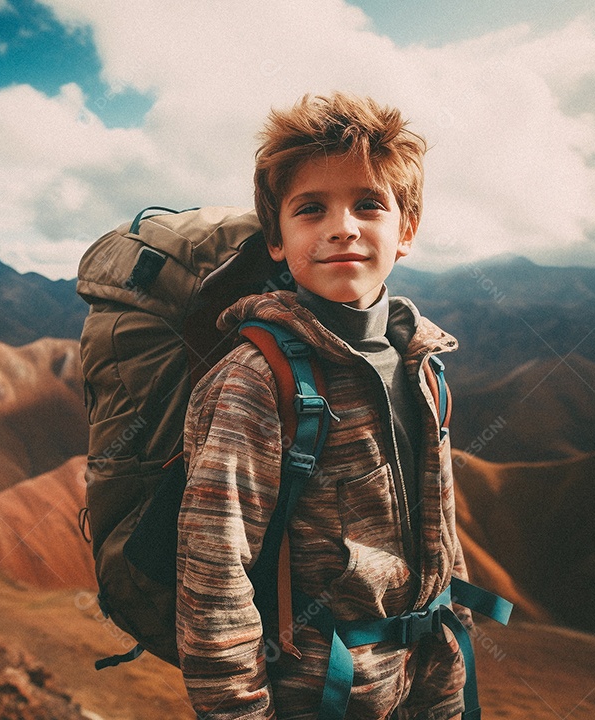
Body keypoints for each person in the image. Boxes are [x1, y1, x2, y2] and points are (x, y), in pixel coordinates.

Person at [176, 92, 471, 720]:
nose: (343, 226)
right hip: (320, 699)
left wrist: (451, 672)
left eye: (370, 204)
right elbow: (213, 580)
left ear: (407, 229)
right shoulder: (256, 381)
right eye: (311, 210)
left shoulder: (423, 363)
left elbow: (442, 535)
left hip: (427, 685)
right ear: (277, 242)